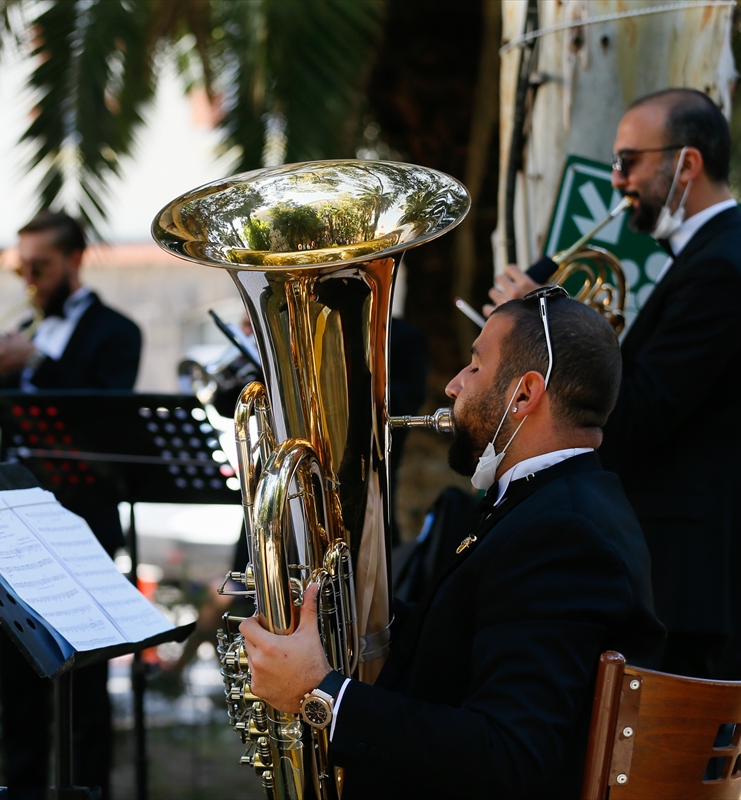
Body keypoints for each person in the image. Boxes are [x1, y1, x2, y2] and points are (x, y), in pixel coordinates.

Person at [486, 89, 741, 789]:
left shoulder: (723, 269)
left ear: (686, 164)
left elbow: (639, 412)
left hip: (699, 584)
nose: (619, 181)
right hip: (697, 573)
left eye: (630, 161)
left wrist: (541, 326)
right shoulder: (715, 260)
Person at [239, 289, 665, 799]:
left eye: (474, 366)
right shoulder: (548, 504)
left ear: (524, 395)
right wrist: (331, 614)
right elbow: (471, 635)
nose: (453, 385)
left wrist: (321, 693)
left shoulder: (565, 533)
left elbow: (509, 753)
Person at [0, 211, 141, 800]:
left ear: (74, 260)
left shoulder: (117, 331)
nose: (30, 280)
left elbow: (100, 415)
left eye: (39, 267)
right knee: (17, 687)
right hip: (9, 522)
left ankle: (86, 791)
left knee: (84, 685)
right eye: (23, 269)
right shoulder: (25, 325)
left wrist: (34, 365)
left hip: (80, 523)